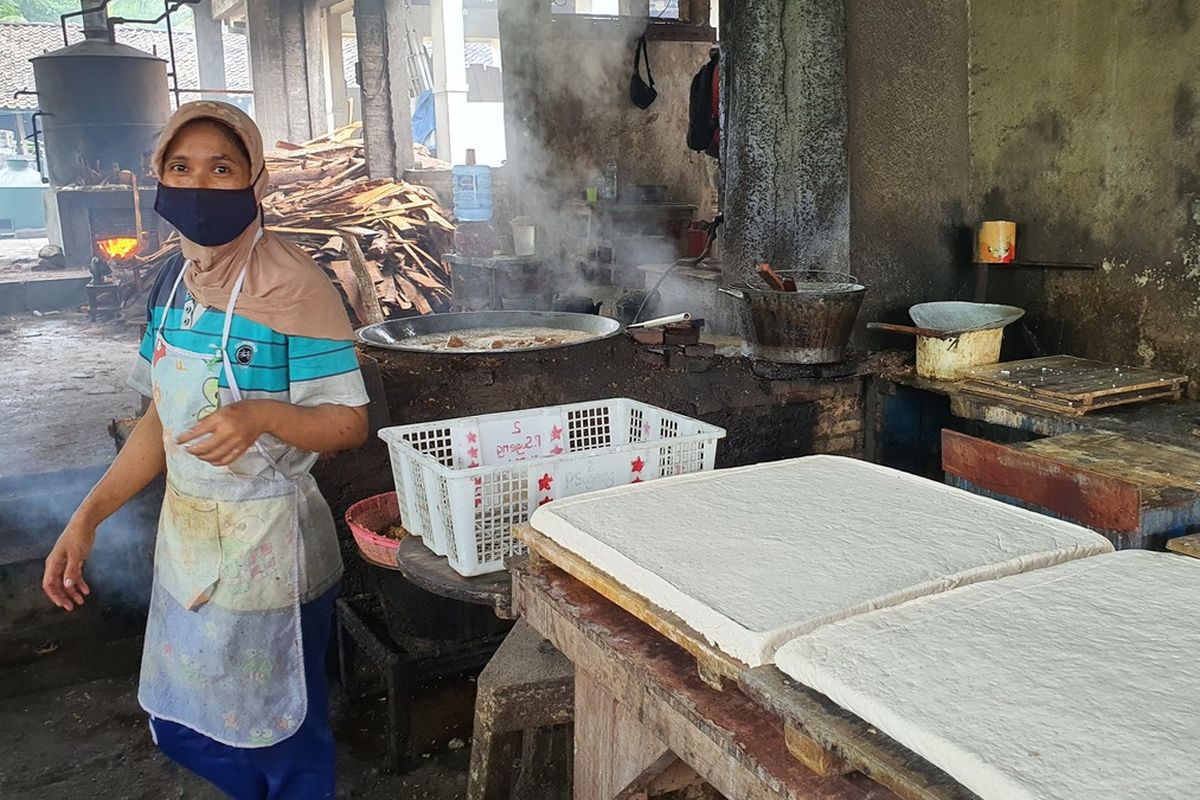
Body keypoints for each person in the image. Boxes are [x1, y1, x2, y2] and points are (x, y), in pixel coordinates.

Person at [41, 101, 370, 799]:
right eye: (181, 168)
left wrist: (262, 414)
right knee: (189, 725)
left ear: (254, 178)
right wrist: (87, 517)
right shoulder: (172, 282)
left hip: (272, 551)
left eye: (221, 168)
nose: (199, 184)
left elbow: (347, 425)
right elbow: (160, 419)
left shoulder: (296, 284)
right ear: (158, 176)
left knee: (282, 735)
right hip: (189, 545)